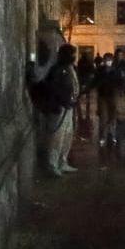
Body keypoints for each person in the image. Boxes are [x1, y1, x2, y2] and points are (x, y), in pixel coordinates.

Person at [38, 44, 80, 176]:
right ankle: (52, 164)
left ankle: (63, 162)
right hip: (59, 108)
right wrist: (62, 101)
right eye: (72, 54)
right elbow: (53, 89)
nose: (74, 57)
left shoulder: (70, 68)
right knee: (56, 137)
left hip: (69, 107)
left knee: (67, 136)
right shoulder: (57, 69)